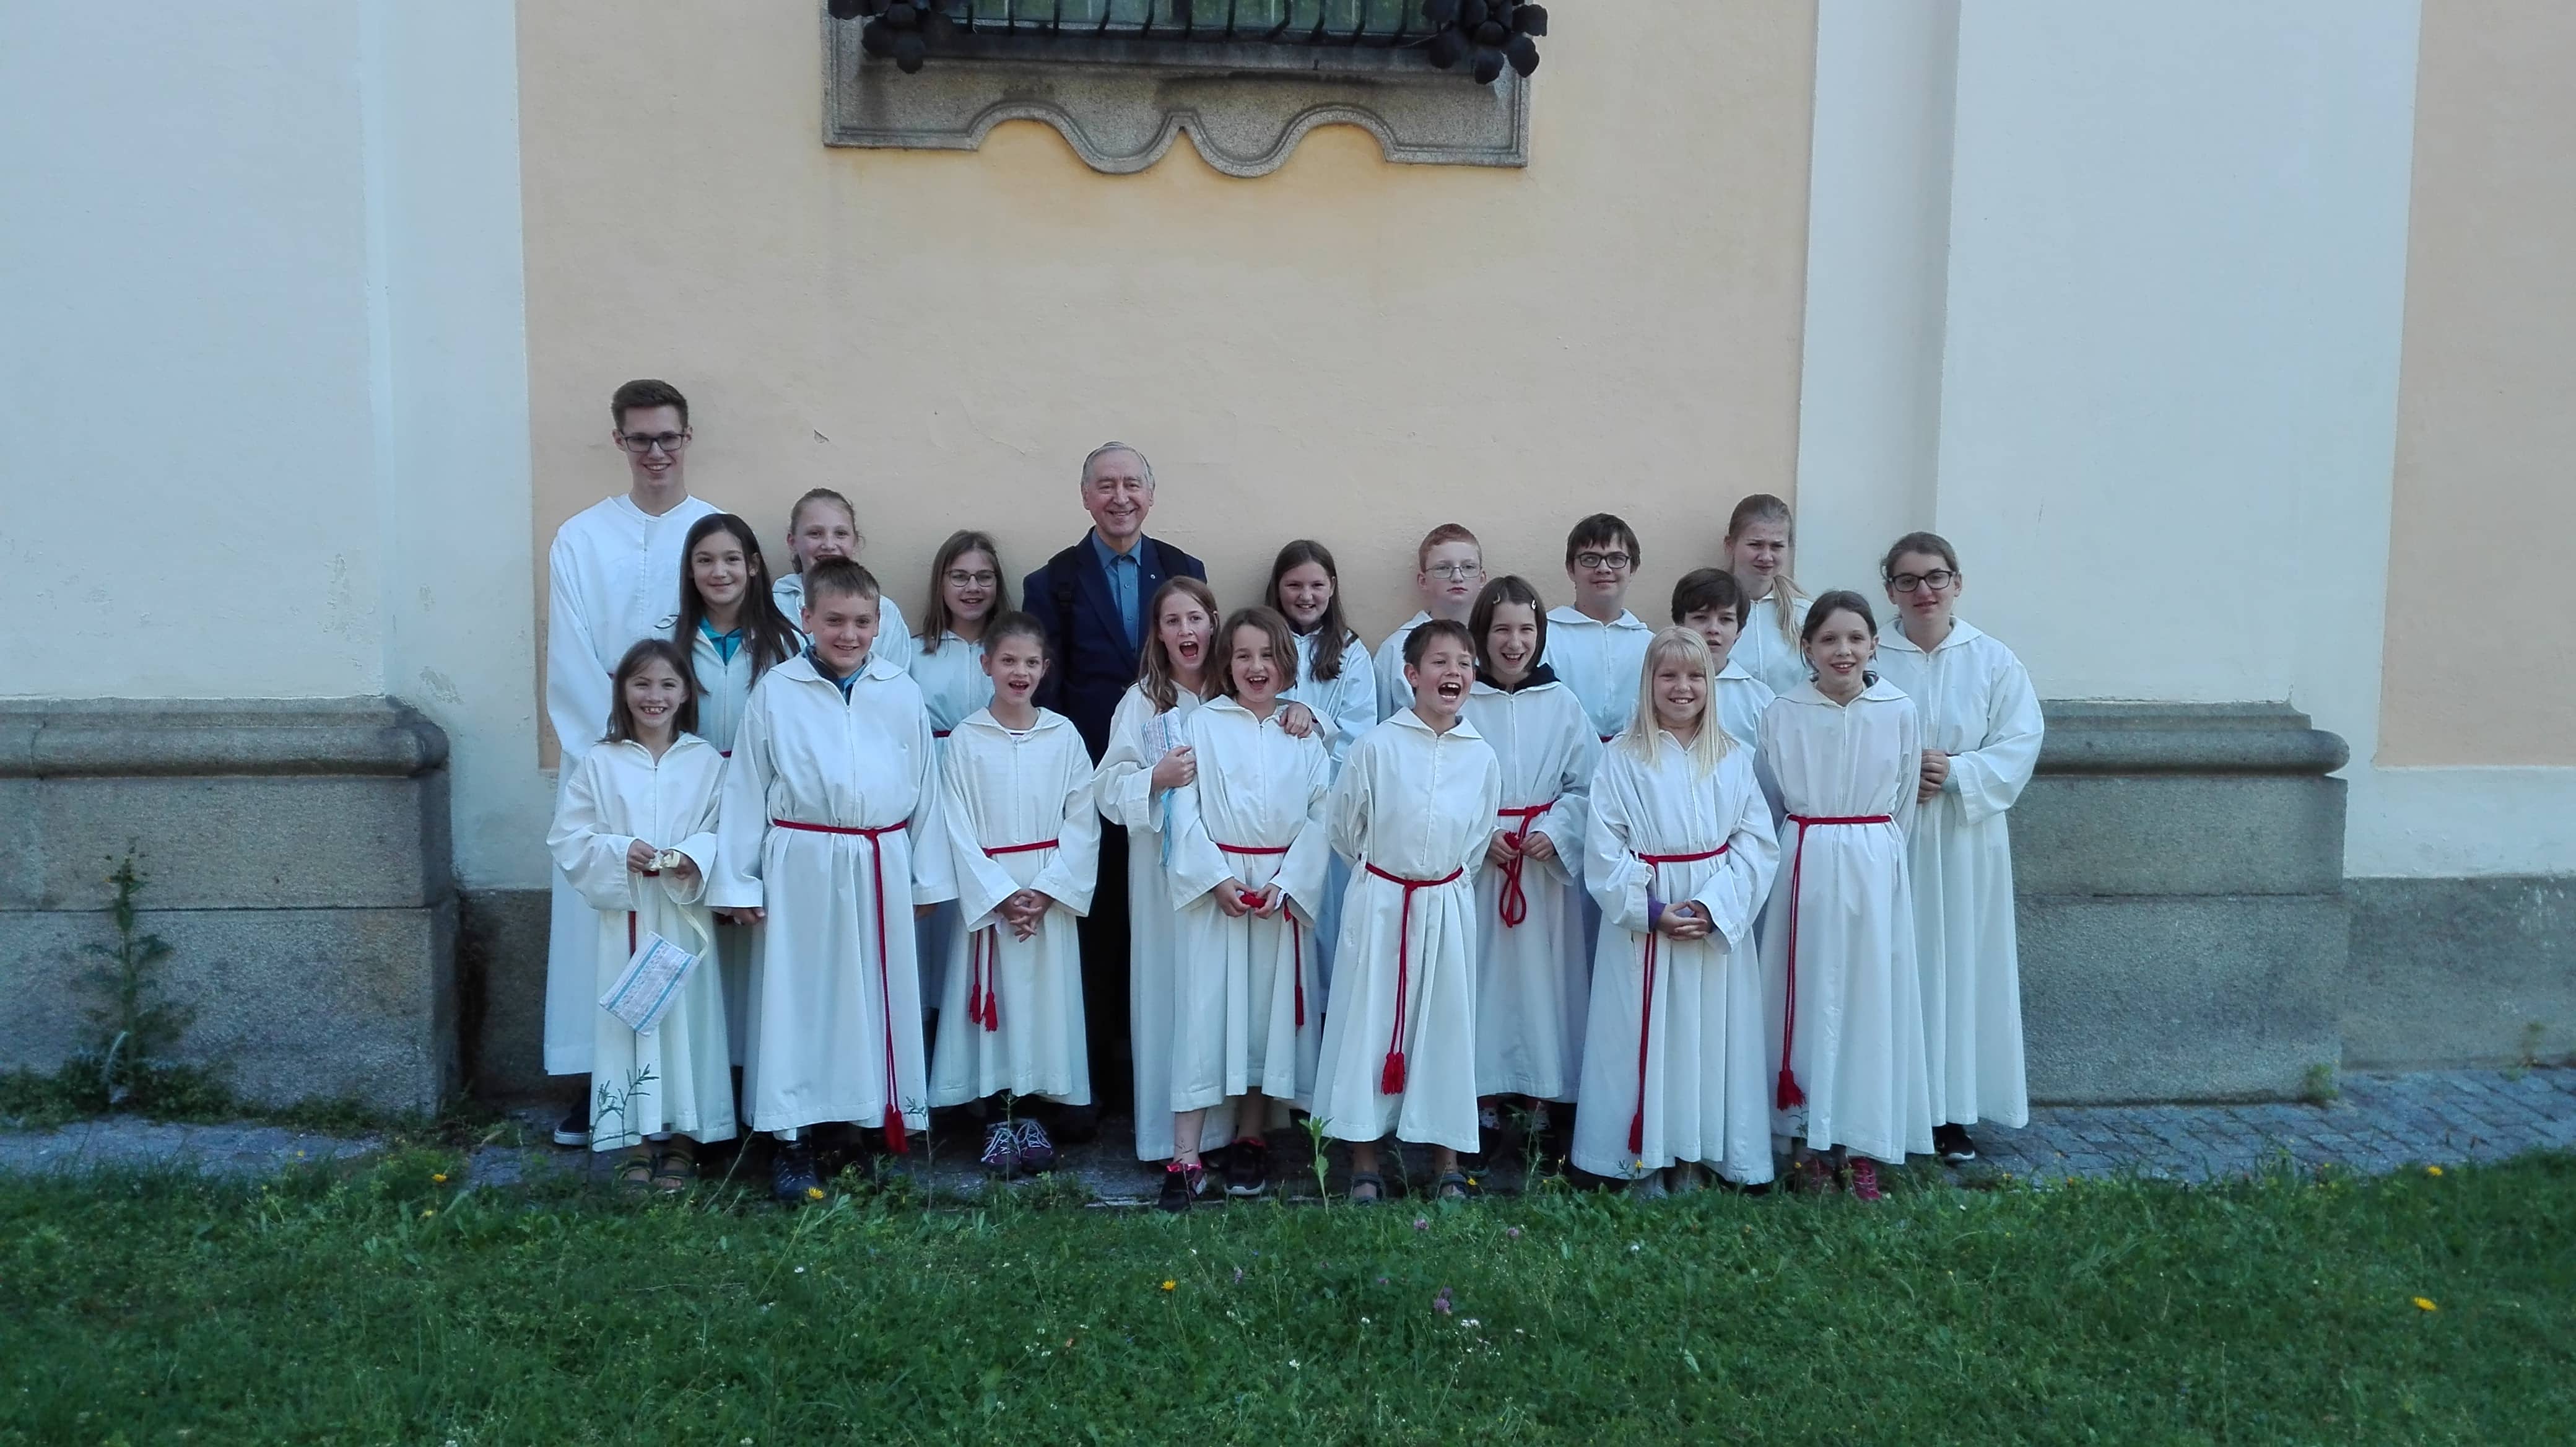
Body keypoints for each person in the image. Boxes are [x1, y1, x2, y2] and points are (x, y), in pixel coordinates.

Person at [708, 559, 956, 1203]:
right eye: (835, 621)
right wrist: (738, 880)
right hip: (802, 861)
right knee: (800, 1000)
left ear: (879, 623)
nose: (849, 634)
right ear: (806, 619)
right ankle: (791, 1138)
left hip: (878, 858)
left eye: (862, 621)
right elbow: (746, 787)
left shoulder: (898, 690)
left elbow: (926, 786)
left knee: (873, 998)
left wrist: (926, 878)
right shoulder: (777, 691)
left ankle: (861, 1127)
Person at [542, 378, 722, 1147]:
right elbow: (574, 658)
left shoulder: (711, 532)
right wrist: (613, 759)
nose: (656, 452)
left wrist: (684, 754)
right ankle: (600, 1080)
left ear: (688, 438)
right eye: (641, 438)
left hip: (690, 765)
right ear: (619, 442)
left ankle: (696, 1090)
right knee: (600, 931)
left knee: (686, 929)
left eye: (668, 437)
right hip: (606, 768)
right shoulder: (581, 537)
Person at [1024, 443, 1209, 1125]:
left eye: (1132, 484)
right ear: (1085, 496)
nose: (1120, 496)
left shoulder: (1184, 571)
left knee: (1170, 923)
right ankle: (1096, 1082)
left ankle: (1165, 1074)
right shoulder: (1054, 582)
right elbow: (1047, 684)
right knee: (1100, 928)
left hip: (1177, 784)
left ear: (1150, 494)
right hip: (1097, 775)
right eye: (1106, 485)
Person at [1573, 629, 1780, 1193]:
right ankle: (1643, 1158)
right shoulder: (1620, 758)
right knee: (1642, 1039)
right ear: (1649, 684)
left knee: (1707, 1038)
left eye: (1694, 676)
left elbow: (1758, 844)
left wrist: (1713, 907)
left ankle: (1696, 1157)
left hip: (1710, 916)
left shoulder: (1732, 756)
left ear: (1711, 685)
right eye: (1668, 675)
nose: (1682, 687)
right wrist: (1652, 909)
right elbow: (1604, 847)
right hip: (1647, 923)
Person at [1315, 620, 1502, 1205]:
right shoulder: (1378, 746)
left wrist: (1437, 885)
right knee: (1367, 1024)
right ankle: (1365, 1160)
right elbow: (1345, 829)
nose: (1454, 673)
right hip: (1381, 901)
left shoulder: (1481, 756)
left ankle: (1446, 1159)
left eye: (1465, 663)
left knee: (1444, 1026)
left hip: (1445, 903)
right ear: (1411, 674)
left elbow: (1475, 843)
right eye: (1440, 662)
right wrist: (1388, 881)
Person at [1871, 532, 2043, 1165]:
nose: (1923, 591)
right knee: (1895, 961)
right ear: (1888, 588)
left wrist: (1959, 772)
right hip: (1892, 837)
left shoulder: (1992, 660)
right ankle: (1891, 1098)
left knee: (1960, 966)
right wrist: (1895, 772)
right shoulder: (1868, 655)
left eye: (1935, 577)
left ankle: (1949, 1112)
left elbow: (2020, 740)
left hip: (1967, 840)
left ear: (1957, 582)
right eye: (1908, 579)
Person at [1757, 592, 1930, 1202]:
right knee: (1803, 999)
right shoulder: (1782, 712)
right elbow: (1769, 795)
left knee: (1864, 1003)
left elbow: (1903, 798)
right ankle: (1807, 1141)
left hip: (1869, 864)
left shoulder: (1898, 710)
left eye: (1855, 638)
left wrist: (1872, 857)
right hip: (1803, 859)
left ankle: (1860, 1145)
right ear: (1806, 647)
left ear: (1873, 644)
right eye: (1828, 639)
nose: (1843, 650)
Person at [547, 639, 738, 1191]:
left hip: (683, 915)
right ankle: (632, 1138)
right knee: (629, 1023)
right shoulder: (598, 762)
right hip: (626, 919)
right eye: (642, 684)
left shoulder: (705, 761)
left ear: (686, 694)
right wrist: (618, 850)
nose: (654, 696)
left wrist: (693, 857)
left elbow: (724, 827)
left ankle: (683, 1139)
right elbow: (569, 837)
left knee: (687, 1023)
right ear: (623, 691)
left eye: (667, 685)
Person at [1160, 606, 1333, 1209]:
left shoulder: (1303, 732)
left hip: (1277, 894)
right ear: (1225, 663)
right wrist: (1211, 877)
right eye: (1241, 655)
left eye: (1266, 655)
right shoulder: (1202, 725)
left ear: (1286, 662)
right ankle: (1183, 1154)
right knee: (1204, 1015)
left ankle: (1251, 1136)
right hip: (1219, 892)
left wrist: (1289, 881)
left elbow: (1323, 810)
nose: (1254, 666)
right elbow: (1182, 808)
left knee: (1264, 1017)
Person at [927, 611, 1100, 1178]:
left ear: (1045, 669)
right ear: (986, 665)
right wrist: (1000, 895)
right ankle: (995, 1120)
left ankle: (1032, 1117)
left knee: (1043, 1005)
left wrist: (1048, 891)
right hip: (992, 897)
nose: (1019, 672)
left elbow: (1083, 819)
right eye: (1008, 661)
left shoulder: (1064, 735)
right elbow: (953, 822)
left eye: (1030, 662)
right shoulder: (966, 741)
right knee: (993, 1004)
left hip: (1048, 894)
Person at [1461, 577, 1598, 1169]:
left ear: (1540, 637)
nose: (1514, 643)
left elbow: (1588, 786)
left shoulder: (1562, 703)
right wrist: (1478, 832)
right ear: (1481, 637)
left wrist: (1559, 830)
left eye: (1526, 630)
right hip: (1481, 868)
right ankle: (1482, 1105)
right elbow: (1438, 781)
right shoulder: (1461, 700)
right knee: (1481, 986)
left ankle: (1541, 1107)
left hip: (1540, 873)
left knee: (1546, 989)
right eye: (1501, 630)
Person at [1095, 577, 1227, 1170]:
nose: (1186, 632)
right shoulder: (1143, 702)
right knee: (1172, 992)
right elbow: (1105, 789)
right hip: (1163, 878)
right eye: (1172, 621)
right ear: (1158, 634)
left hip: (1231, 871)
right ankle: (1168, 1137)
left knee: (1222, 994)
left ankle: (1229, 1131)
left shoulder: (1241, 691)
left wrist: (1304, 714)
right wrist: (1155, 778)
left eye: (1195, 618)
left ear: (1213, 623)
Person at [671, 512, 802, 1073]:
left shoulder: (788, 643)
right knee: (698, 943)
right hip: (689, 809)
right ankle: (704, 1082)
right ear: (690, 571)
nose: (719, 571)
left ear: (753, 566)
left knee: (758, 947)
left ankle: (756, 1078)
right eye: (705, 560)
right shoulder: (668, 643)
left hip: (763, 810)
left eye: (731, 559)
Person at [910, 530, 1011, 1026]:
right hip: (933, 789)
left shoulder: (1011, 652)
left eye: (983, 577)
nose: (972, 588)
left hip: (995, 793)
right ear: (941, 584)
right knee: (939, 918)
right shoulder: (914, 654)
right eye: (960, 577)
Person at [1266, 539, 1375, 1002]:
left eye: (1316, 585)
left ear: (1332, 588)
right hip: (1270, 809)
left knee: (1327, 916)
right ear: (1277, 588)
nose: (1306, 595)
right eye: (1294, 585)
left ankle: (1326, 1013)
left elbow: (1361, 732)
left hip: (1329, 809)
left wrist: (1315, 721)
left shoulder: (1351, 652)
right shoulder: (1262, 645)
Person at [1541, 514, 1654, 745]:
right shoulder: (1545, 636)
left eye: (1616, 559)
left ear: (1633, 568)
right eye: (1590, 559)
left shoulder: (1649, 644)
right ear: (1571, 569)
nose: (1604, 568)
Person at [775, 488, 913, 670]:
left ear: (855, 541)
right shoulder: (773, 607)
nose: (829, 545)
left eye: (840, 534)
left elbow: (896, 683)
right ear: (793, 542)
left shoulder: (886, 613)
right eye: (815, 534)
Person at [1372, 524, 1486, 722]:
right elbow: (1381, 722)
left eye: (1468, 567)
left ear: (1482, 578)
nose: (1457, 577)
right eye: (1443, 568)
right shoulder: (1396, 648)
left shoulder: (1496, 644)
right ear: (1423, 581)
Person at [1671, 567, 1775, 754]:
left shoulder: (1760, 699)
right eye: (1701, 618)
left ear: (1739, 631)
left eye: (1725, 619)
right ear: (1680, 624)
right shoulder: (1658, 691)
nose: (1713, 629)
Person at [1723, 494, 1814, 698]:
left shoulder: (1807, 615)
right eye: (1756, 545)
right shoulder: (1705, 614)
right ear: (1730, 545)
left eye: (1777, 546)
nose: (1766, 557)